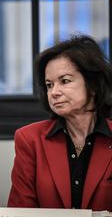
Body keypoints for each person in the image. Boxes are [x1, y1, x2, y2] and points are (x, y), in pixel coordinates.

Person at [7, 34, 112, 211]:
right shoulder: (29, 139)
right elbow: (19, 211)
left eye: (65, 81)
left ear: (93, 85)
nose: (54, 92)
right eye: (49, 85)